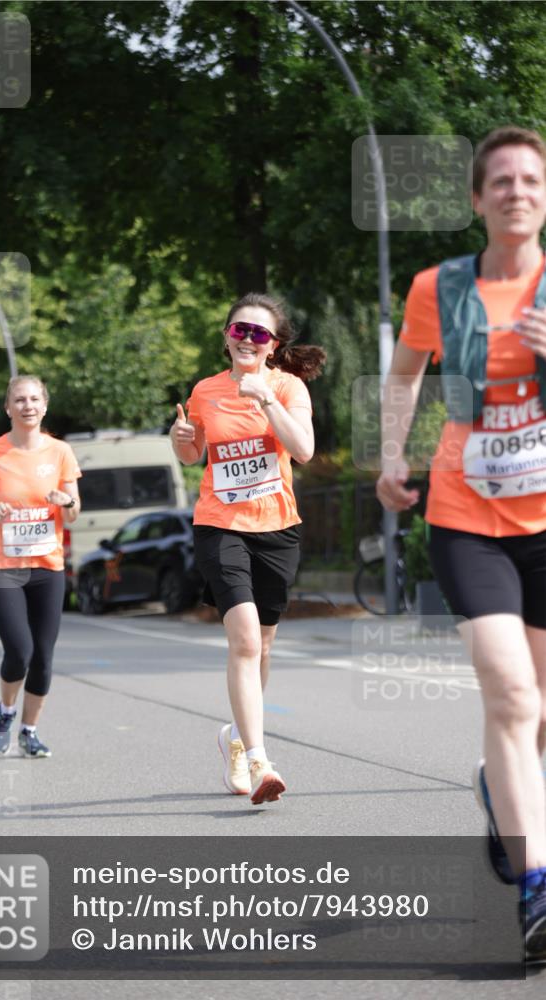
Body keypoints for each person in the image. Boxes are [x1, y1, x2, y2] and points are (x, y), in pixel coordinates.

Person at [376, 126, 546, 961]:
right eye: (501, 181)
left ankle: (499, 792)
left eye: (530, 180)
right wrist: (388, 456)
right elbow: (404, 374)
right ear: (478, 200)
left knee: (542, 714)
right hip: (466, 514)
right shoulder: (436, 290)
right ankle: (539, 891)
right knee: (512, 698)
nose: (517, 191)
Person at [171, 293, 325, 805]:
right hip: (220, 524)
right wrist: (182, 439)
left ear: (273, 344)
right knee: (242, 640)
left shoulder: (287, 386)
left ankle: (235, 739)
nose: (247, 340)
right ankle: (260, 759)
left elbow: (302, 449)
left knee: (263, 644)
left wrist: (266, 400)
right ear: (226, 336)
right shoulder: (205, 391)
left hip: (277, 526)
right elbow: (196, 455)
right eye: (240, 330)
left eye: (259, 333)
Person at [0, 375, 81, 758]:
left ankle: (30, 732)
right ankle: (6, 711)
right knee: (20, 650)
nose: (27, 405)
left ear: (44, 405)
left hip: (48, 565)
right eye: (19, 400)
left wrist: (66, 501)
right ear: (8, 408)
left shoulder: (61, 452)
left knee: (44, 655)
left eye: (34, 399)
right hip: (3, 566)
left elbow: (75, 512)